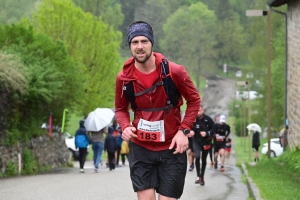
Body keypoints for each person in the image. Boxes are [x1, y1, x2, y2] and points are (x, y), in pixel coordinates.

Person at [115, 21, 200, 200]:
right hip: (141, 148)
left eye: (144, 41)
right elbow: (121, 108)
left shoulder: (174, 71)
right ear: (130, 45)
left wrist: (183, 131)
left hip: (172, 148)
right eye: (134, 42)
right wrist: (125, 126)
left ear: (152, 43)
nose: (139, 47)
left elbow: (194, 101)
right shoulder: (124, 78)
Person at [191, 105, 214, 186]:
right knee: (197, 156)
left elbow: (214, 129)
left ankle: (202, 176)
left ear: (203, 110)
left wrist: (207, 133)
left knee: (203, 159)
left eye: (199, 110)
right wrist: (191, 131)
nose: (198, 112)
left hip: (206, 142)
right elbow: (187, 127)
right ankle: (198, 175)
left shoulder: (208, 119)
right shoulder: (193, 119)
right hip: (196, 141)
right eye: (197, 110)